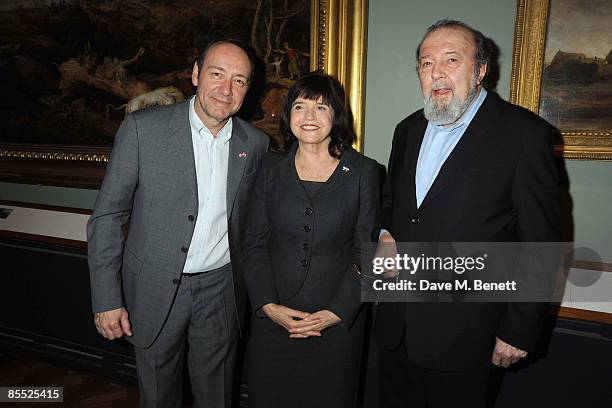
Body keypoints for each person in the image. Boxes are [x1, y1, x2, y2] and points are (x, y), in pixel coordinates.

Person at [374, 20, 560, 408]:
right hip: (396, 329)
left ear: (480, 70)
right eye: (426, 64)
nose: (436, 72)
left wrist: (520, 329)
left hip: (468, 338)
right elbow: (391, 204)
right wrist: (384, 234)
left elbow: (542, 241)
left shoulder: (525, 135)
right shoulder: (406, 129)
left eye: (451, 60)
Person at [87, 39, 269, 408]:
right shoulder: (142, 130)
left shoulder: (257, 144)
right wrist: (107, 297)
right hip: (153, 290)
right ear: (196, 74)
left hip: (221, 293)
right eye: (217, 74)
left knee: (217, 397)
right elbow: (107, 216)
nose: (225, 88)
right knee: (158, 398)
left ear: (248, 90)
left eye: (239, 80)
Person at [243, 72, 379, 408]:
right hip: (274, 321)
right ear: (288, 116)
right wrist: (268, 306)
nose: (309, 117)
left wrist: (337, 311)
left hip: (336, 324)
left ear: (337, 115)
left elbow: (369, 251)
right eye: (300, 107)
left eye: (321, 107)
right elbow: (253, 244)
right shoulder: (269, 170)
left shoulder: (364, 172)